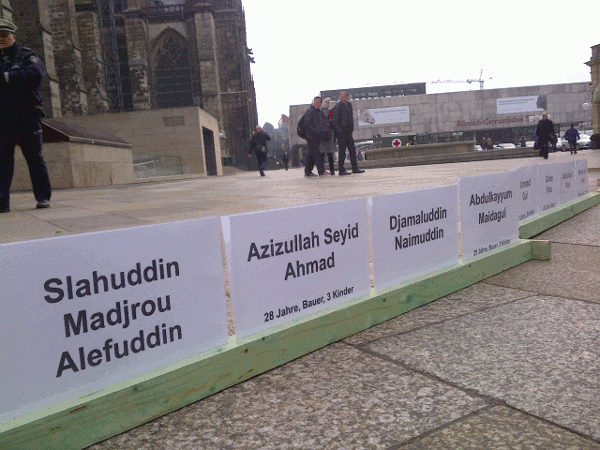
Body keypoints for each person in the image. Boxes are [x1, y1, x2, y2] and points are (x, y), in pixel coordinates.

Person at [0, 19, 52, 213]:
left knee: (35, 158)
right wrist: (16, 79)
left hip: (27, 116)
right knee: (3, 162)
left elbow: (35, 76)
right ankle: (2, 202)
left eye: (4, 36)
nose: (1, 40)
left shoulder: (26, 55)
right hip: (3, 118)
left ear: (13, 37)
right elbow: (24, 78)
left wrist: (5, 78)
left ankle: (43, 197)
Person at [331, 90, 365, 175]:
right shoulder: (337, 106)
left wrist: (351, 129)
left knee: (352, 151)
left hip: (349, 133)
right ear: (339, 97)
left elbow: (351, 118)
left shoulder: (349, 105)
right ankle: (341, 170)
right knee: (342, 152)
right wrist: (339, 132)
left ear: (347, 96)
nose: (342, 97)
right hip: (341, 134)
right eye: (341, 95)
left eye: (344, 95)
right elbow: (335, 121)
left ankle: (355, 168)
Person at [300, 97, 329, 177]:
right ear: (314, 102)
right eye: (316, 102)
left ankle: (308, 171)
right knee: (317, 154)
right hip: (311, 136)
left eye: (319, 102)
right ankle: (321, 171)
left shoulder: (318, 112)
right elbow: (307, 125)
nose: (318, 103)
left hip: (316, 136)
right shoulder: (309, 111)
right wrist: (316, 132)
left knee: (311, 155)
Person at [319, 97, 335, 175]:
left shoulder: (319, 113)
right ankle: (332, 170)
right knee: (330, 154)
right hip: (329, 135)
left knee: (322, 154)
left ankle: (322, 170)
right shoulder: (330, 112)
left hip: (321, 136)